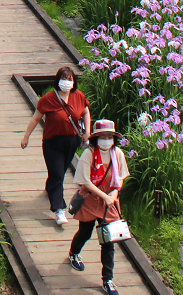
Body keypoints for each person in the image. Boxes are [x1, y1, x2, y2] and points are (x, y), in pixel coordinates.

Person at [20, 66, 90, 225]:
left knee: (59, 172)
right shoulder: (48, 99)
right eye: (64, 78)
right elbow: (36, 119)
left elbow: (85, 112)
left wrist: (88, 131)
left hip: (72, 141)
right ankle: (59, 210)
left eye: (70, 78)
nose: (67, 81)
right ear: (58, 80)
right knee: (58, 173)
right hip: (52, 143)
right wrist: (26, 137)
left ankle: (50, 187)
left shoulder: (78, 96)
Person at [68, 119, 131, 295]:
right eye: (102, 137)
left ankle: (108, 280)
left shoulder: (117, 154)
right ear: (96, 138)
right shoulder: (88, 154)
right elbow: (85, 181)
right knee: (85, 233)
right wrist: (104, 195)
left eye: (108, 136)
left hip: (108, 205)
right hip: (90, 201)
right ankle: (74, 252)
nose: (105, 140)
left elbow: (120, 178)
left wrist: (114, 194)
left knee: (108, 243)